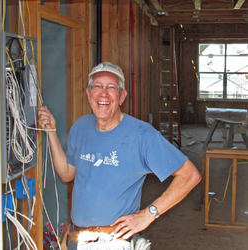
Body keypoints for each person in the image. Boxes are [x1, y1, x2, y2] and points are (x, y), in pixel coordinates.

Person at [37, 62, 201, 250]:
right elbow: (66, 173)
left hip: (114, 242)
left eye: (111, 87)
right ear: (89, 93)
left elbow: (190, 175)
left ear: (122, 96)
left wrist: (148, 214)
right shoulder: (80, 127)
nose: (103, 93)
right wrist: (51, 131)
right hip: (78, 237)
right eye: (97, 86)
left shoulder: (142, 135)